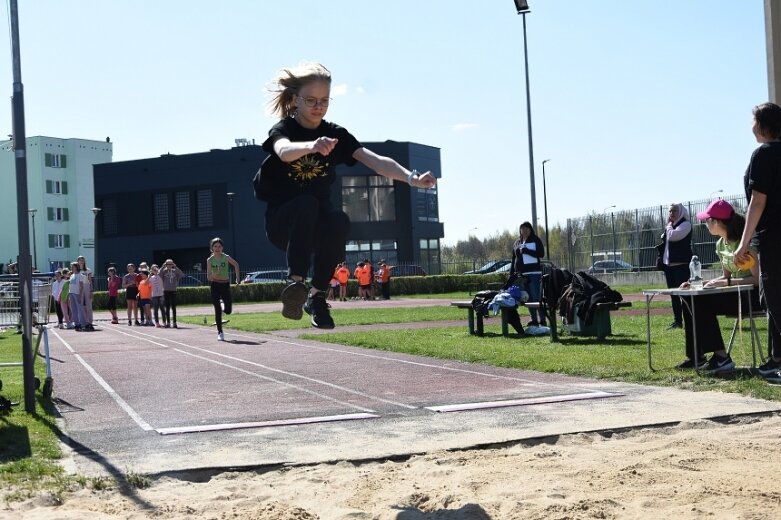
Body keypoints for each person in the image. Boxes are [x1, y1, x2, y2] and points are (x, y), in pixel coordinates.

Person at [256, 61, 436, 329]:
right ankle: (295, 283)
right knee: (305, 203)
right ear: (295, 100)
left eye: (325, 101)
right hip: (284, 226)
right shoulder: (284, 130)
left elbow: (373, 160)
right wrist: (312, 146)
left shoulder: (335, 134)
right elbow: (283, 152)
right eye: (311, 100)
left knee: (339, 219)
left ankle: (316, 297)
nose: (318, 107)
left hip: (316, 229)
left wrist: (412, 178)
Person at [677, 199, 760, 372]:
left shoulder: (745, 243)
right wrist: (698, 283)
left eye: (707, 220)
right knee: (688, 297)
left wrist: (726, 282)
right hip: (733, 294)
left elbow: (756, 280)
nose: (705, 223)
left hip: (751, 296)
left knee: (701, 301)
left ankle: (722, 358)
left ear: (716, 222)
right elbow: (725, 276)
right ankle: (696, 357)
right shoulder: (720, 244)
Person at [735, 102, 781, 379]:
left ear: (762, 124)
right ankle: (776, 358)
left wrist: (743, 242)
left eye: (753, 120)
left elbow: (758, 201)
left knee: (775, 298)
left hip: (774, 237)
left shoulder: (763, 153)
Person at [658, 203, 693, 330]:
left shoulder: (685, 224)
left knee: (684, 295)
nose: (671, 213)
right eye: (670, 211)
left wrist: (668, 226)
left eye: (674, 211)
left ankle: (689, 320)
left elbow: (673, 236)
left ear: (681, 212)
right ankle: (677, 321)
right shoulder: (671, 226)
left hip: (681, 266)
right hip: (669, 266)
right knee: (673, 295)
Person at [509, 222, 546, 326]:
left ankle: (542, 320)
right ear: (520, 230)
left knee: (536, 297)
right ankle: (534, 319)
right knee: (528, 298)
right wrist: (511, 273)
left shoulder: (535, 240)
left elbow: (541, 254)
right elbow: (513, 259)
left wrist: (527, 251)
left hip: (534, 273)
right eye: (522, 229)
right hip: (522, 275)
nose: (524, 231)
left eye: (527, 229)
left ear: (530, 230)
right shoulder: (517, 242)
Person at [206, 237, 241, 341]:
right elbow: (208, 277)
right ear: (212, 248)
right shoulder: (210, 260)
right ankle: (220, 332)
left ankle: (223, 307)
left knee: (229, 310)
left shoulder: (225, 257)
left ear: (222, 248)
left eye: (219, 246)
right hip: (215, 285)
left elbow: (236, 264)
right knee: (217, 310)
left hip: (225, 285)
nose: (217, 248)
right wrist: (216, 272)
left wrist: (237, 278)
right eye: (215, 246)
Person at [160, 259, 183, 328]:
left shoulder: (175, 271)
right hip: (166, 291)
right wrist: (162, 267)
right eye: (167, 264)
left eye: (170, 264)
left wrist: (175, 267)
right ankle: (168, 322)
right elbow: (159, 274)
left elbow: (181, 274)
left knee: (173, 307)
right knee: (167, 307)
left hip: (173, 291)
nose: (169, 266)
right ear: (166, 265)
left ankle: (174, 322)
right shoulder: (164, 271)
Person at [77, 256, 95, 331]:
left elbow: (90, 281)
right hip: (79, 288)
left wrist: (91, 291)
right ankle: (82, 322)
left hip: (87, 287)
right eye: (80, 260)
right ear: (77, 262)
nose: (81, 262)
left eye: (82, 260)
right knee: (80, 306)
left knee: (88, 306)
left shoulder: (88, 270)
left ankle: (89, 322)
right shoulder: (76, 271)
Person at [68, 262, 86, 331]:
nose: (72, 268)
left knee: (80, 310)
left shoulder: (80, 275)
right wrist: (69, 294)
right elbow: (70, 285)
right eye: (71, 267)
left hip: (77, 294)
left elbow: (81, 286)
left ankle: (83, 324)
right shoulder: (72, 275)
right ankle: (77, 324)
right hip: (71, 293)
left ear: (77, 267)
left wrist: (80, 296)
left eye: (73, 267)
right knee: (73, 310)